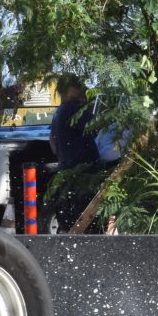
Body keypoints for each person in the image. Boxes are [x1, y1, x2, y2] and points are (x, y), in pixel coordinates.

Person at [48, 76, 102, 229]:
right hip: (82, 173)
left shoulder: (59, 112)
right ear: (68, 90)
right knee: (87, 221)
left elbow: (51, 142)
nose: (82, 91)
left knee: (72, 221)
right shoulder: (72, 109)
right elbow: (97, 124)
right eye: (78, 88)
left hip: (67, 171)